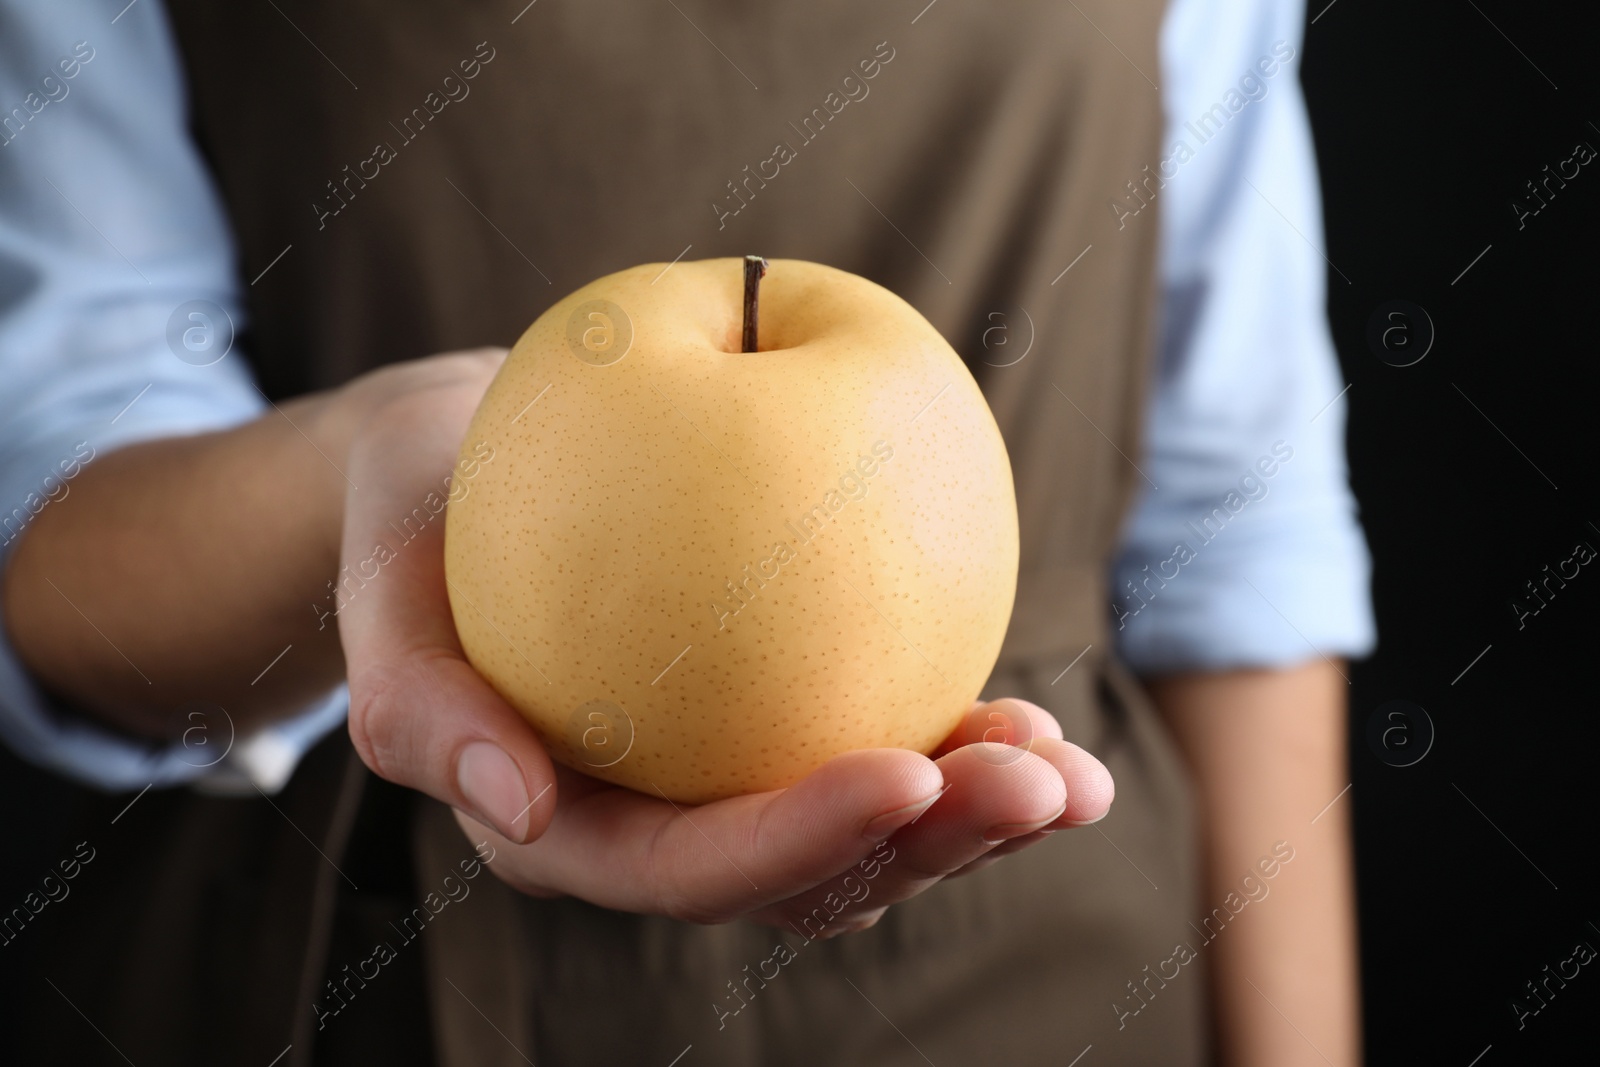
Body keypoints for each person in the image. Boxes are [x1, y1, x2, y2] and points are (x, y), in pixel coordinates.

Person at [0, 0, 1372, 1063]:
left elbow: (1239, 537)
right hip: (354, 972)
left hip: (1043, 977)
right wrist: (358, 476)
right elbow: (61, 472)